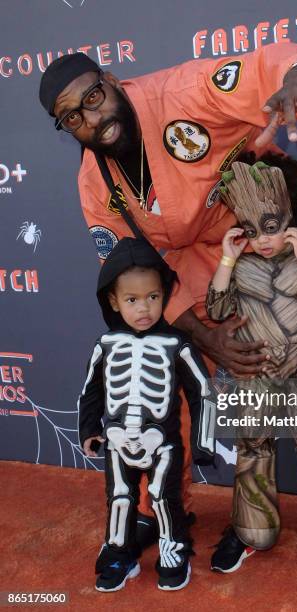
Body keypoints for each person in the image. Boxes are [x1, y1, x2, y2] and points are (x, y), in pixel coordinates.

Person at [39, 44, 297, 579]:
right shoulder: (94, 185)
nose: (92, 119)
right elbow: (133, 271)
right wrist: (197, 332)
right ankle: (154, 511)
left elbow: (268, 64)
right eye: (72, 117)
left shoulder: (181, 91)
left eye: (94, 98)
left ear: (113, 80)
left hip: (279, 232)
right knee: (172, 359)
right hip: (205, 259)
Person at [207, 155, 297, 570]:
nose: (263, 239)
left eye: (271, 227)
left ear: (291, 212)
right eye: (252, 230)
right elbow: (216, 311)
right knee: (253, 448)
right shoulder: (242, 266)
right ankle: (255, 526)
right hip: (255, 379)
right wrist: (227, 259)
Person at [78, 236, 215, 592]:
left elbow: (203, 390)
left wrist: (202, 443)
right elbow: (91, 390)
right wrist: (89, 429)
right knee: (119, 497)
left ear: (165, 294)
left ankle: (174, 547)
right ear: (113, 300)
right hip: (117, 440)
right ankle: (120, 553)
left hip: (162, 442)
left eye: (153, 297)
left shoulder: (177, 345)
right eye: (132, 300)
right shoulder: (104, 345)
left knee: (162, 495)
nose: (144, 308)